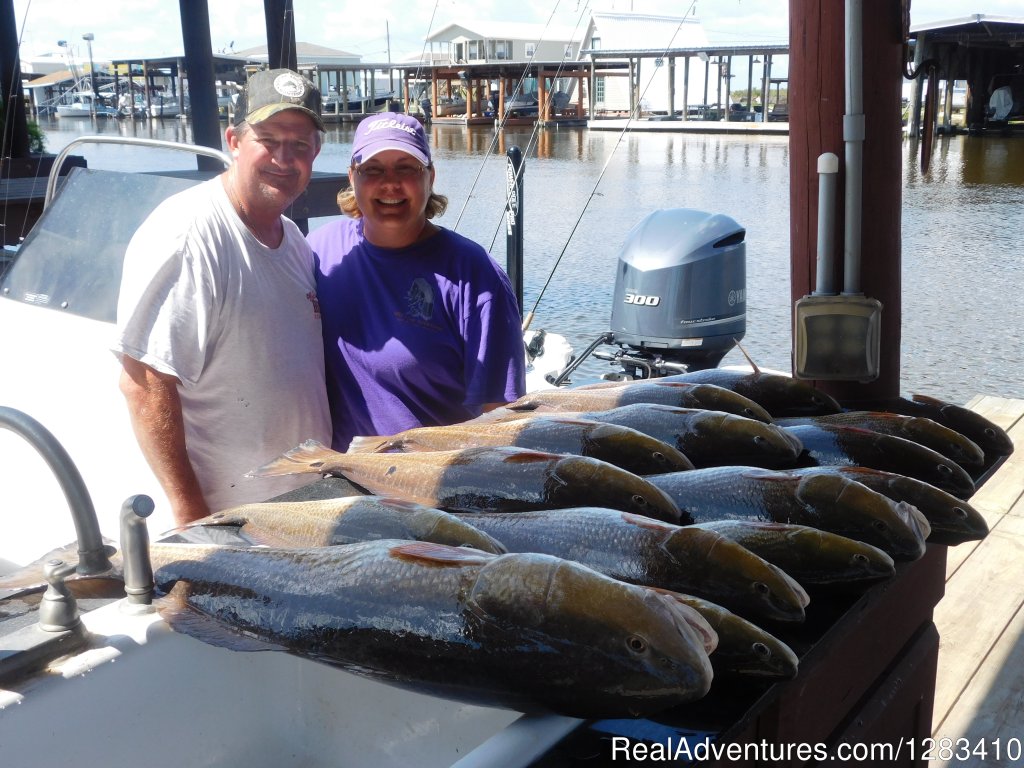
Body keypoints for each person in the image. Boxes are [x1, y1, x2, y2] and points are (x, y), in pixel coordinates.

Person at [114, 68, 332, 524]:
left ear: (316, 153)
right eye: (268, 139)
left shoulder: (293, 240)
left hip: (303, 507)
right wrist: (191, 514)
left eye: (300, 146)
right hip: (230, 523)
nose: (283, 158)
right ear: (234, 141)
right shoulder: (189, 233)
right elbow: (144, 383)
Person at [307, 112, 526, 451]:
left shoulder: (476, 276)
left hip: (431, 484)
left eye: (406, 168)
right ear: (353, 177)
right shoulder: (318, 251)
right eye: (373, 170)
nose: (390, 183)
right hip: (338, 477)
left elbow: (502, 415)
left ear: (430, 177)